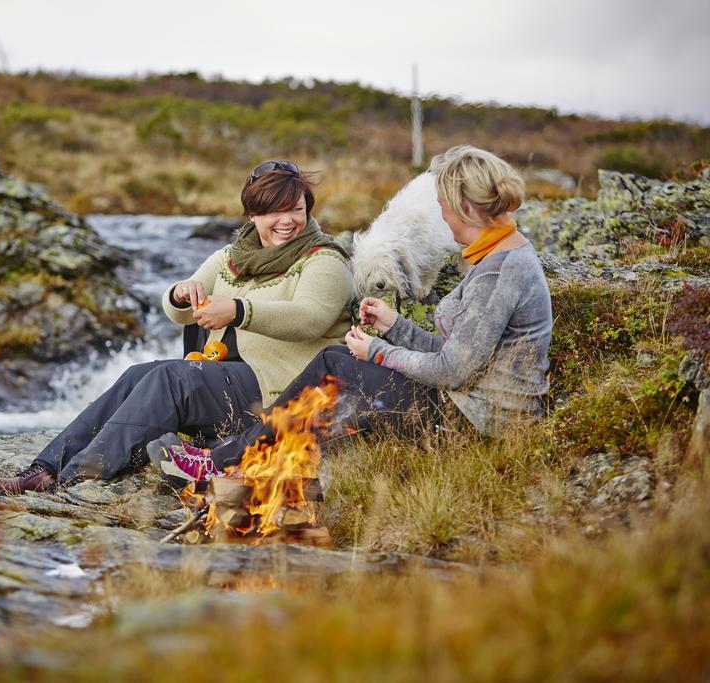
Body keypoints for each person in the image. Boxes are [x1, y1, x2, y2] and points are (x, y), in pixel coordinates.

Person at [150, 145, 553, 485]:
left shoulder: (500, 270)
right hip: (467, 402)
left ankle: (221, 464)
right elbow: (464, 354)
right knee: (337, 360)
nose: (442, 217)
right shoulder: (497, 255)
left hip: (477, 421)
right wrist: (396, 326)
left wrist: (378, 351)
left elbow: (453, 370)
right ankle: (249, 459)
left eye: (444, 206)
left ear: (465, 207)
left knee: (335, 364)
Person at [0, 160, 354, 493]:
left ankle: (77, 479)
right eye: (274, 211)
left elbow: (311, 317)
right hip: (229, 378)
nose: (287, 220)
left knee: (172, 379)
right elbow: (177, 310)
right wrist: (180, 294)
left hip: (282, 390)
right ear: (252, 215)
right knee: (140, 373)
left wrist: (239, 310)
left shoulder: (323, 260)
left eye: (296, 209)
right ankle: (44, 470)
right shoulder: (231, 258)